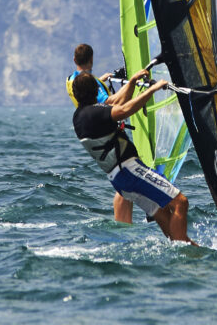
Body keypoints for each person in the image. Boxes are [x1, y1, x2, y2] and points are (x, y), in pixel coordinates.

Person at [71, 68, 190, 242]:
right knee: (181, 202)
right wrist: (152, 90)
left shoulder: (80, 116)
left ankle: (187, 247)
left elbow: (116, 102)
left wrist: (133, 81)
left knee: (163, 212)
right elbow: (124, 110)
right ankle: (185, 254)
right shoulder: (94, 113)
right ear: (97, 91)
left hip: (119, 179)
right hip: (130, 171)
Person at [67, 42, 132, 222]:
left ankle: (123, 224)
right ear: (92, 59)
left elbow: (86, 87)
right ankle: (123, 224)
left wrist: (100, 81)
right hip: (107, 132)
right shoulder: (92, 83)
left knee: (120, 179)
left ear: (74, 59)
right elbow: (110, 102)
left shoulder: (71, 80)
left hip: (90, 130)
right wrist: (131, 84)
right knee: (123, 181)